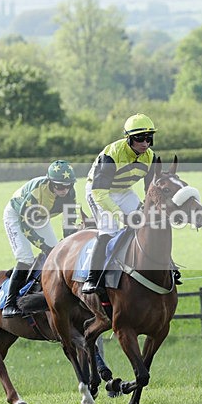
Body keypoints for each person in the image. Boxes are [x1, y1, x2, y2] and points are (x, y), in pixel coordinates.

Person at [81, 113, 163, 295]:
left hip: (124, 191)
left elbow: (151, 190)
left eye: (149, 138)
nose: (145, 143)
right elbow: (99, 193)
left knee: (148, 223)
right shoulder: (112, 155)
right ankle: (92, 278)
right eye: (139, 138)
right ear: (129, 138)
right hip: (99, 191)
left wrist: (149, 210)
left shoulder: (150, 157)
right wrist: (121, 215)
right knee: (108, 230)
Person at [1, 160, 79, 318]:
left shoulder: (71, 193)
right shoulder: (38, 192)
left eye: (68, 185)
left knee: (56, 254)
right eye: (59, 186)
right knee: (25, 257)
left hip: (41, 217)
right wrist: (44, 247)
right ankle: (9, 305)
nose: (64, 190)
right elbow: (26, 226)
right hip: (18, 217)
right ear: (50, 182)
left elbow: (69, 224)